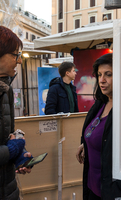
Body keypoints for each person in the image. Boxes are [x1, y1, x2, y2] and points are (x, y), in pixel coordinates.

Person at [76, 53, 121, 200]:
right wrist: (85, 143)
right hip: (92, 185)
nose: (102, 80)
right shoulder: (101, 103)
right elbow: (93, 130)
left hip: (112, 191)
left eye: (108, 74)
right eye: (99, 75)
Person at [0, 26, 32, 200]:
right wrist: (11, 151)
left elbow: (8, 136)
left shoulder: (6, 89)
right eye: (15, 55)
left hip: (8, 188)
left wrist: (20, 155)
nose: (19, 61)